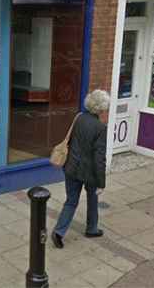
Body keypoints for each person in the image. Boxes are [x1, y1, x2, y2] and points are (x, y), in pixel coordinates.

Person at [51, 89, 109, 249]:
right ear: (102, 109)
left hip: (71, 167)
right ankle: (92, 228)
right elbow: (99, 158)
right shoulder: (100, 128)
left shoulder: (79, 118)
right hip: (89, 172)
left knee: (71, 201)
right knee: (93, 198)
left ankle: (59, 232)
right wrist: (101, 183)